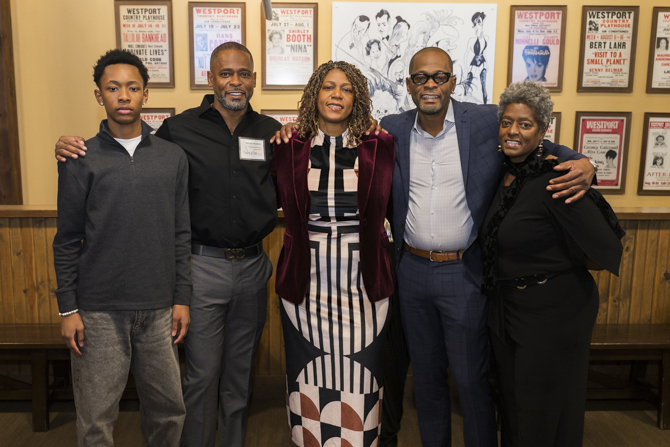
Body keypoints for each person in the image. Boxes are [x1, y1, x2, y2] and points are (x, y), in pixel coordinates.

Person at [55, 42, 281, 447]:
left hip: (253, 267)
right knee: (199, 378)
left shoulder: (271, 132)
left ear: (253, 79)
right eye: (225, 73)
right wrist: (66, 146)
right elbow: (129, 150)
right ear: (210, 79)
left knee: (239, 378)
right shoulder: (179, 131)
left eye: (243, 73)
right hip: (202, 266)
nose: (235, 81)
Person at [379, 47, 595, 447]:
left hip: (463, 273)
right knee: (425, 380)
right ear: (408, 85)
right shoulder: (391, 128)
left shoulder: (482, 121)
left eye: (439, 76)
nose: (430, 85)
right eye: (421, 78)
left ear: (453, 81)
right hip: (411, 272)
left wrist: (583, 161)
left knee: (470, 380)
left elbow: (532, 139)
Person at [53, 49, 191, 447]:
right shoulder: (79, 158)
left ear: (145, 94)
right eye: (113, 88)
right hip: (98, 310)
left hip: (159, 308)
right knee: (96, 418)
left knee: (169, 411)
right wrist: (68, 308)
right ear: (100, 96)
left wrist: (182, 298)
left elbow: (182, 233)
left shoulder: (172, 157)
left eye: (132, 88)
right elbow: (67, 238)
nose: (124, 96)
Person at [481, 81, 624, 447]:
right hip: (508, 310)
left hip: (553, 314)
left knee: (543, 413)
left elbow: (603, 249)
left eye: (525, 124)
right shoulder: (504, 173)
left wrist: (554, 267)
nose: (513, 131)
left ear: (543, 130)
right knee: (514, 408)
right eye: (507, 122)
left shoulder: (558, 179)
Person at [272, 60, 395, 447]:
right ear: (315, 94)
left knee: (363, 374)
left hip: (363, 280)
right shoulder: (288, 146)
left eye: (346, 88)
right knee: (307, 373)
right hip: (306, 281)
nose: (336, 94)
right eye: (328, 86)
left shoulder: (380, 145)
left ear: (357, 99)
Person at [464, 12, 489, 104]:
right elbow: (466, 55)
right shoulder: (471, 40)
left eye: (479, 22)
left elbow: (485, 53)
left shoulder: (486, 38)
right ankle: (463, 101)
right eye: (476, 22)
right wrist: (466, 69)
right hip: (473, 63)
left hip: (483, 63)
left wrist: (487, 65)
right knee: (468, 83)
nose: (478, 24)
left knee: (484, 86)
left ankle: (485, 104)